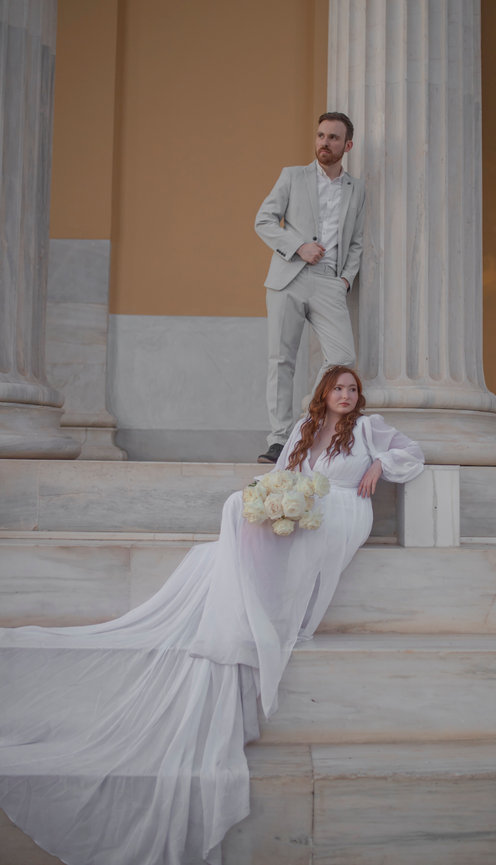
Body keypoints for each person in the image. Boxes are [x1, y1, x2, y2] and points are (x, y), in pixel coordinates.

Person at [0, 367, 423, 865]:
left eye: (352, 389)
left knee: (270, 535)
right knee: (230, 520)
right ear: (324, 394)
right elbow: (280, 475)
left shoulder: (370, 429)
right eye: (339, 389)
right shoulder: (305, 430)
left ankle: (262, 600)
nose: (347, 396)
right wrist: (266, 499)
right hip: (308, 505)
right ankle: (247, 599)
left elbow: (411, 453)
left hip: (346, 509)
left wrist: (379, 466)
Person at [255, 112, 365, 464]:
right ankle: (278, 439)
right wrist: (298, 244)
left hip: (329, 282)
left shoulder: (356, 189)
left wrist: (345, 279)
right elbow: (264, 220)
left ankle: (308, 424)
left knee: (342, 358)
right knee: (281, 359)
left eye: (333, 137)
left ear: (347, 145)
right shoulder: (293, 176)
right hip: (289, 276)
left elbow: (358, 242)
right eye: (320, 136)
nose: (324, 143)